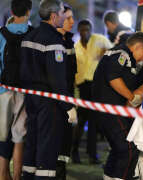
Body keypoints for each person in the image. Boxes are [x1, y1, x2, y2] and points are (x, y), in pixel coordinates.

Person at [20, 0, 77, 179]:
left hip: (30, 98)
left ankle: (27, 176)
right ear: (54, 17)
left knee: (32, 142)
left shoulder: (29, 36)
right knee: (47, 147)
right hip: (49, 103)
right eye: (62, 13)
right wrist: (68, 106)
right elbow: (57, 79)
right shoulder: (54, 41)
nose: (63, 17)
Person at [92, 32, 143, 180]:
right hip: (111, 110)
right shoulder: (121, 54)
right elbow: (113, 78)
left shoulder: (125, 56)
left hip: (109, 111)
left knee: (118, 150)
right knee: (128, 150)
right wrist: (132, 98)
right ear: (137, 47)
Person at [72, 19, 113, 164]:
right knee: (81, 121)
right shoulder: (76, 47)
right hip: (82, 86)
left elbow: (113, 51)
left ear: (91, 29)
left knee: (94, 122)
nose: (85, 32)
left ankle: (92, 154)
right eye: (82, 30)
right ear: (79, 31)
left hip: (96, 86)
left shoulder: (100, 40)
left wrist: (106, 54)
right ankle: (74, 151)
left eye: (87, 29)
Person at [0, 1, 32, 179]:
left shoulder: (1, 34)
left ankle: (3, 174)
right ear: (29, 10)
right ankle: (17, 175)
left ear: (11, 11)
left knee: (2, 135)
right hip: (25, 91)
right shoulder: (32, 32)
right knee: (19, 136)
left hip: (3, 90)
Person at [56, 3, 76, 179]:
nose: (72, 21)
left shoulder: (69, 41)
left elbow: (70, 76)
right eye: (68, 17)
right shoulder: (51, 41)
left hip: (67, 99)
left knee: (64, 147)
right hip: (53, 104)